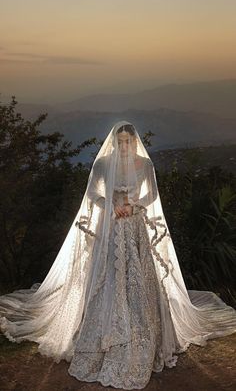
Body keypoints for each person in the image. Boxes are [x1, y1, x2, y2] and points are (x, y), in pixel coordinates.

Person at [0, 120, 236, 390]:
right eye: (120, 141)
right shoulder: (103, 165)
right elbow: (92, 193)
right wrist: (110, 204)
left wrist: (135, 207)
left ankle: (143, 330)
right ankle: (106, 330)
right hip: (111, 226)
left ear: (134, 142)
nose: (124, 145)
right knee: (108, 274)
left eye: (128, 141)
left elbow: (152, 195)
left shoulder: (144, 165)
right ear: (114, 142)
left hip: (135, 227)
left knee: (138, 274)